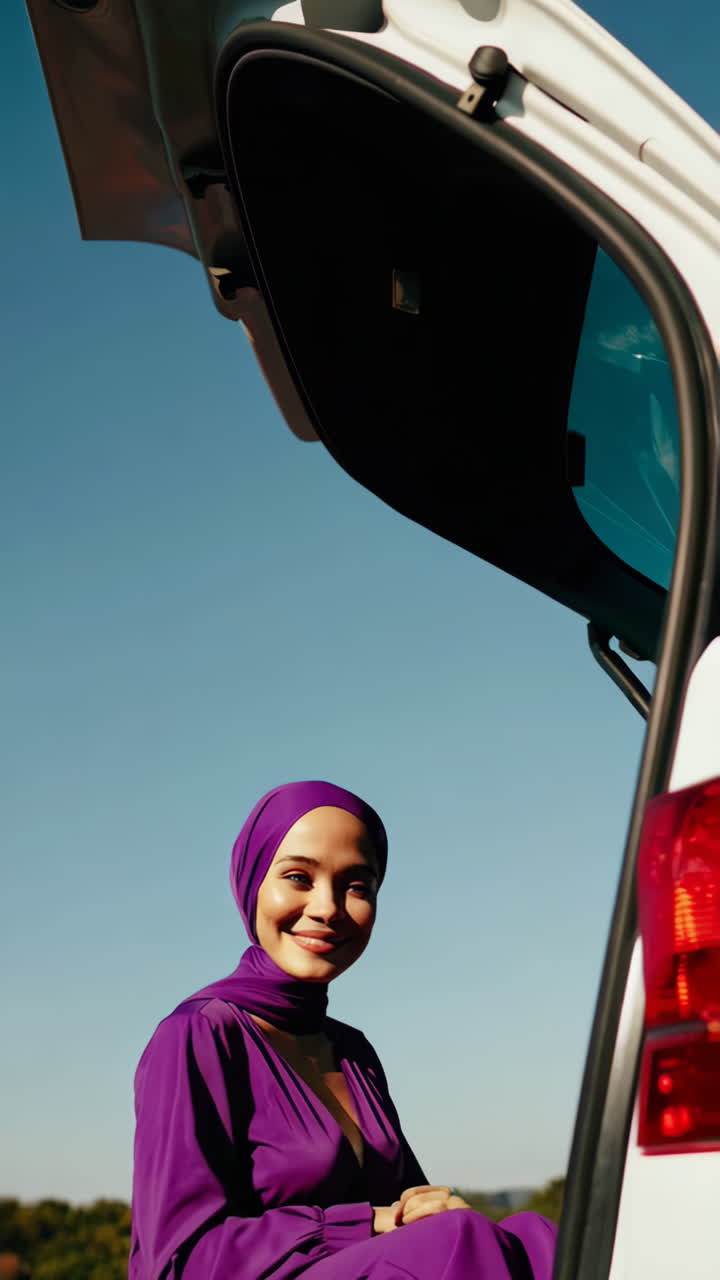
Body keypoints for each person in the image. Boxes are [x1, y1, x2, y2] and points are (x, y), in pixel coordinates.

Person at [129, 781, 557, 1279]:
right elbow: (180, 1260)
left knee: (537, 1237)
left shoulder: (353, 1051)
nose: (328, 908)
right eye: (298, 877)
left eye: (357, 885)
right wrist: (365, 1223)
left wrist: (432, 1207)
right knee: (457, 1240)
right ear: (251, 883)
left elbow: (409, 1208)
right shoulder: (196, 1036)